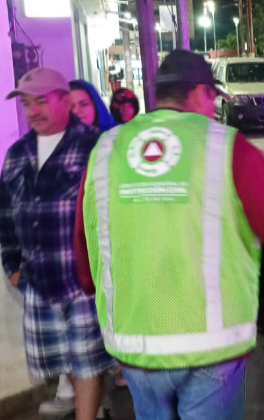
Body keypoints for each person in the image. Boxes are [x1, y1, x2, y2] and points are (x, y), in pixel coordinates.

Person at [73, 49, 264, 420]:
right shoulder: (225, 146)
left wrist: (91, 284)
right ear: (199, 92)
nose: (212, 109)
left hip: (134, 341)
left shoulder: (106, 148)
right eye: (212, 98)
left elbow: (84, 237)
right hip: (210, 345)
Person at [0, 68, 115, 420]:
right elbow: (5, 213)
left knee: (88, 361)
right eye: (27, 104)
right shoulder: (18, 152)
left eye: (41, 101)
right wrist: (13, 265)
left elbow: (113, 209)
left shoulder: (95, 145)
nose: (33, 111)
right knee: (63, 358)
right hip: (38, 279)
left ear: (65, 100)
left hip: (83, 279)